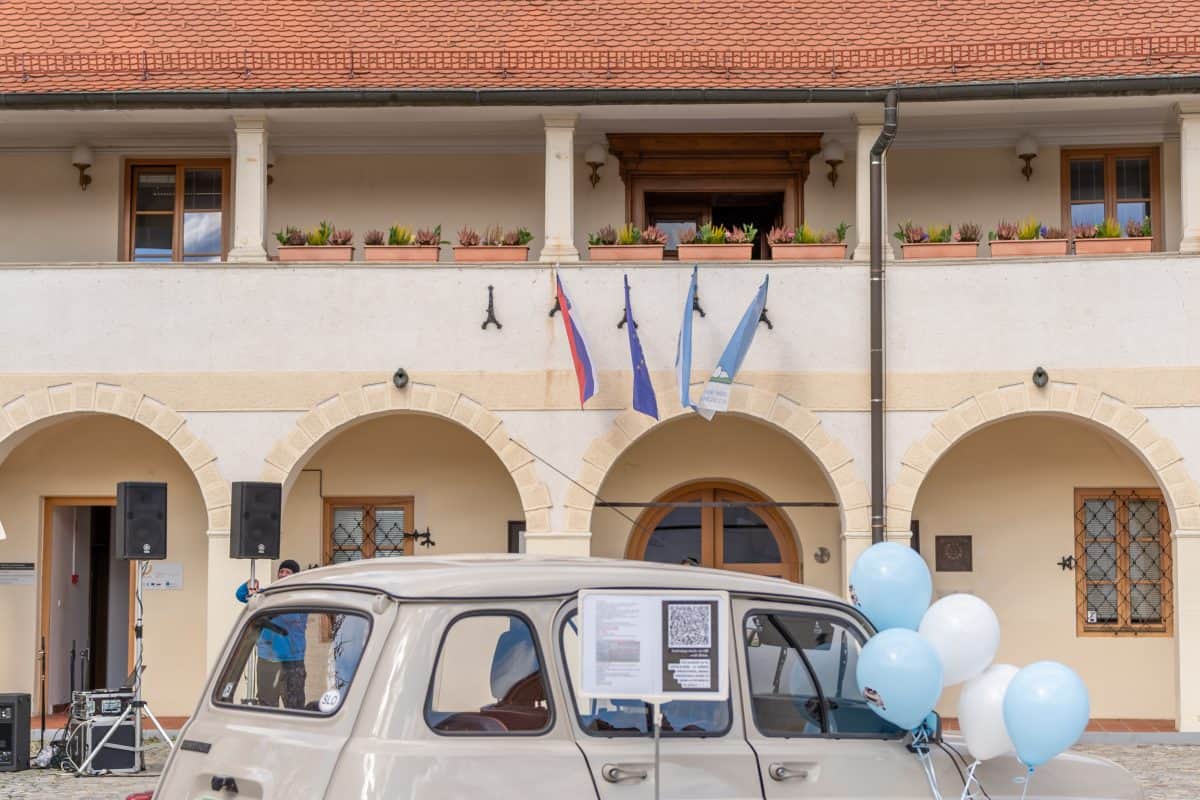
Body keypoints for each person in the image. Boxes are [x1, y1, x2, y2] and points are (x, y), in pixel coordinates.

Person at [236, 560, 308, 709]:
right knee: (266, 705)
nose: (283, 574)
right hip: (267, 659)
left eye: (288, 572)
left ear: (295, 576)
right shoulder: (269, 595)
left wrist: (263, 601)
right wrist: (250, 584)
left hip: (292, 660)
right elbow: (240, 595)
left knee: (294, 706)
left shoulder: (300, 597)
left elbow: (289, 617)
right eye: (281, 571)